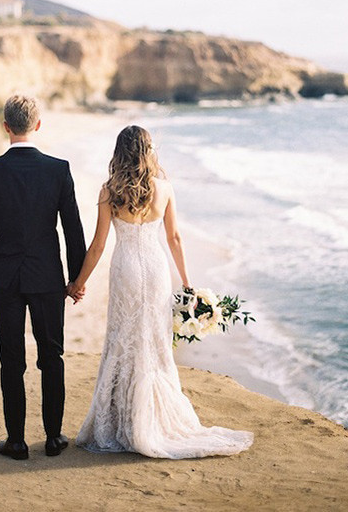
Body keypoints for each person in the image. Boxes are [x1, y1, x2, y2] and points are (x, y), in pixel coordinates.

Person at [69, 125, 253, 459]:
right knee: (153, 341)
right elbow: (175, 238)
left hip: (125, 268)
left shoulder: (110, 190)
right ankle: (153, 419)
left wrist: (78, 283)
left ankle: (120, 422)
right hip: (154, 270)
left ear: (120, 152)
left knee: (123, 338)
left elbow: (97, 245)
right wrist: (187, 283)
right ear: (148, 150)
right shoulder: (164, 188)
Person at [0, 94, 86, 461]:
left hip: (5, 277)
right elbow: (73, 230)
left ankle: (17, 442)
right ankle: (54, 439)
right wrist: (76, 279)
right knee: (52, 356)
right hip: (48, 277)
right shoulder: (58, 169)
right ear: (37, 125)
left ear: (6, 126)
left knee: (12, 359)